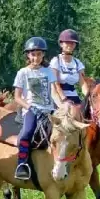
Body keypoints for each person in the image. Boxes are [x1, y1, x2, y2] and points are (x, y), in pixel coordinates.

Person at [13, 36, 59, 180]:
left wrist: (62, 106)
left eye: (39, 54)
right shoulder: (23, 73)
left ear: (43, 55)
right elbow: (17, 97)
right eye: (33, 54)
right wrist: (30, 107)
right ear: (28, 55)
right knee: (26, 133)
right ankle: (22, 165)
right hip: (32, 110)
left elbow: (53, 92)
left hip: (49, 110)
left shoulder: (48, 72)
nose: (36, 57)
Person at [49, 29, 89, 106]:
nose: (70, 45)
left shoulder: (78, 63)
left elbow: (83, 84)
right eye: (67, 42)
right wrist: (64, 99)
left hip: (74, 97)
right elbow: (56, 84)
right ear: (61, 44)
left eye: (72, 43)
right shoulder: (56, 61)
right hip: (59, 97)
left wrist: (88, 96)